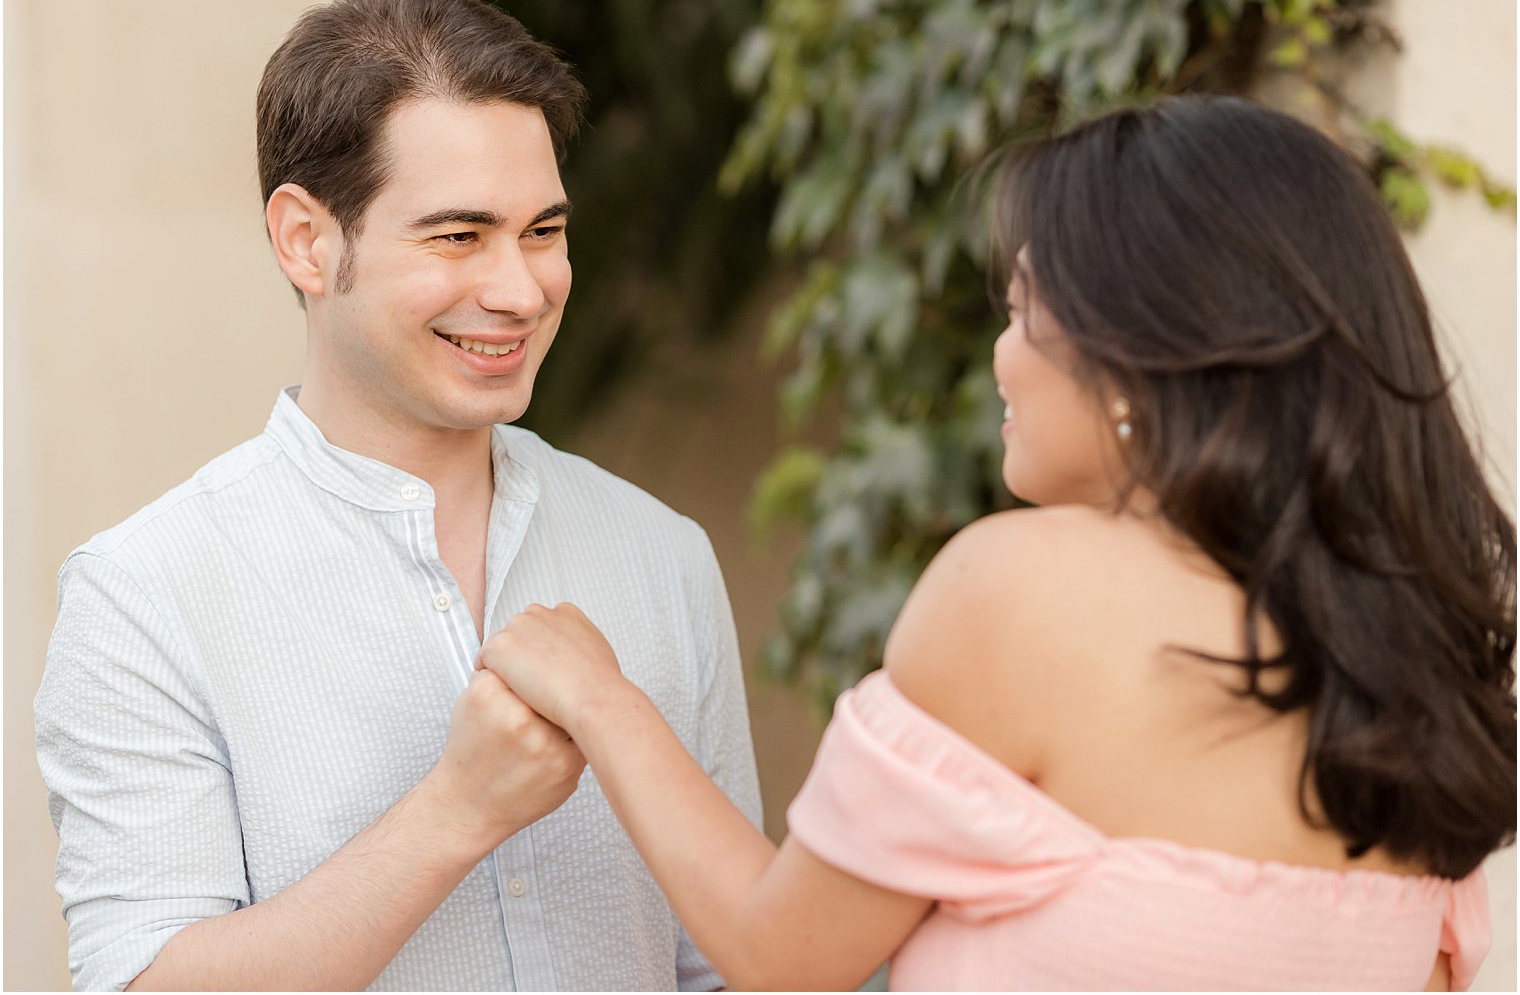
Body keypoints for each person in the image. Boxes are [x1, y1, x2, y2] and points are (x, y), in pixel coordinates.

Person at [478, 96, 1517, 991]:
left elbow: (777, 951)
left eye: (1022, 308)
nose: (999, 355)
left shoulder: (1024, 587)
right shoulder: (1415, 676)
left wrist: (603, 700)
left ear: (1139, 346)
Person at [33, 0, 759, 991]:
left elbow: (726, 966)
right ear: (305, 239)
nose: (519, 288)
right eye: (459, 235)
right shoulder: (144, 594)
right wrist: (457, 809)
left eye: (542, 230)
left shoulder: (660, 553)